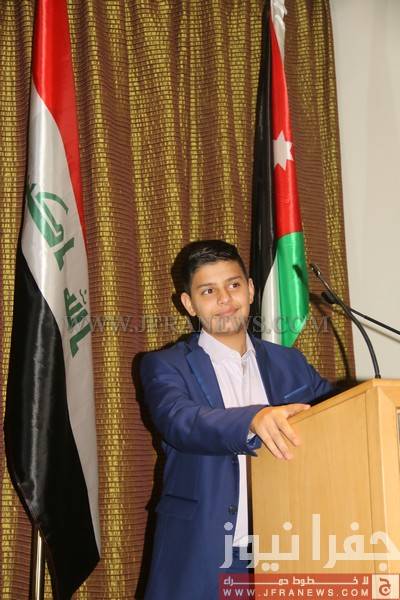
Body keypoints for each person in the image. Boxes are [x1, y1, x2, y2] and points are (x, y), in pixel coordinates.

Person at [140, 240, 333, 600]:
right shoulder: (165, 366)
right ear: (189, 304)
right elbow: (181, 421)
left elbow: (337, 413)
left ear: (251, 289)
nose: (225, 299)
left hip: (286, 548)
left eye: (233, 285)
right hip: (204, 550)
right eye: (208, 291)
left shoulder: (289, 363)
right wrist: (252, 420)